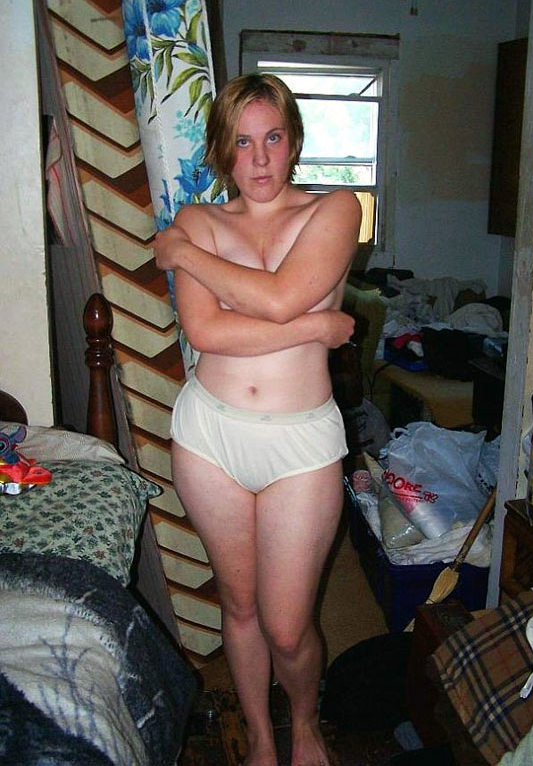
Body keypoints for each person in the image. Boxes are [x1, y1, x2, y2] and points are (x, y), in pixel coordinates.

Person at [154, 73, 362, 766]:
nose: (261, 158)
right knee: (239, 607)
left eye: (273, 137)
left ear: (294, 141)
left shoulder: (335, 210)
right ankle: (263, 741)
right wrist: (318, 327)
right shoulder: (199, 221)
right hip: (210, 435)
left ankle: (304, 722)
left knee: (288, 625)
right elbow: (207, 333)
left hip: (300, 443)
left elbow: (277, 299)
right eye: (243, 143)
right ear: (223, 150)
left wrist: (188, 260)